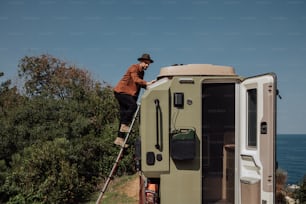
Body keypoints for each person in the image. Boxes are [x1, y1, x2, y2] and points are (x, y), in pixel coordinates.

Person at [113, 53, 156, 147]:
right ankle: (124, 126)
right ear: (141, 62)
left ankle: (119, 139)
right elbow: (136, 80)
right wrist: (147, 82)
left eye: (148, 64)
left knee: (124, 114)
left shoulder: (142, 72)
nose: (147, 65)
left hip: (128, 94)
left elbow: (140, 84)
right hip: (121, 91)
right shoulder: (134, 68)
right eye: (146, 63)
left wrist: (148, 86)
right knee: (133, 106)